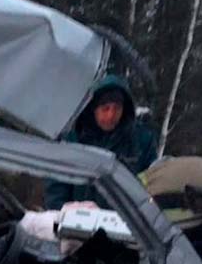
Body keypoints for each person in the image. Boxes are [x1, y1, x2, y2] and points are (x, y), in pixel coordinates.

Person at [45, 74, 159, 209]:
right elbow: (56, 192)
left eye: (117, 108)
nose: (111, 115)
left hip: (126, 224)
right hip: (78, 223)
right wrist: (66, 214)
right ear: (92, 108)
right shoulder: (72, 141)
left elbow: (152, 187)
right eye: (105, 108)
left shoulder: (141, 141)